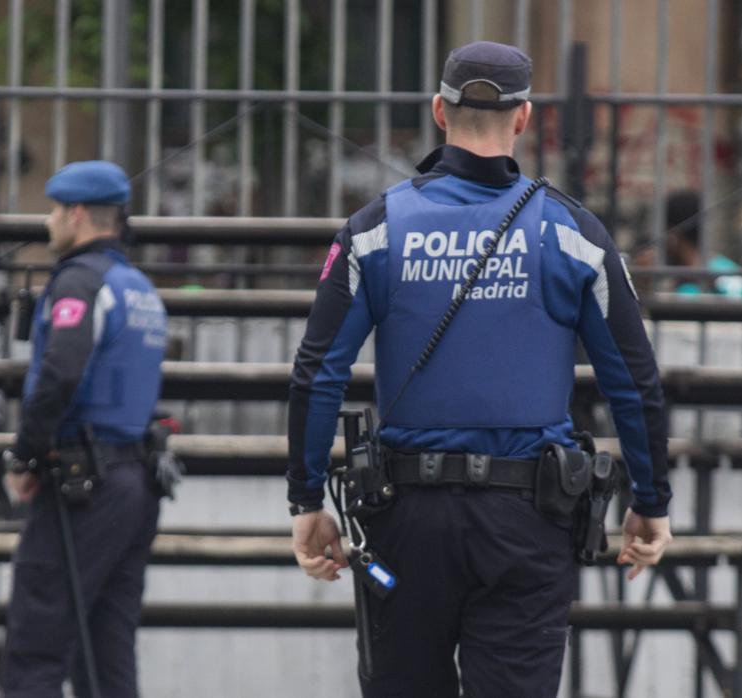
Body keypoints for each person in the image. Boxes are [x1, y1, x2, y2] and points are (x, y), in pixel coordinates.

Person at [286, 42, 673, 697]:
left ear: (440, 111)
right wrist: (651, 501)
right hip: (528, 522)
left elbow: (317, 371)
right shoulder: (572, 233)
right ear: (523, 119)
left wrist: (305, 499)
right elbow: (633, 383)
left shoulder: (374, 230)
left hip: (403, 519)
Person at [0, 161, 167, 697]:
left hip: (83, 489)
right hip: (135, 484)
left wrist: (24, 456)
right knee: (106, 654)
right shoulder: (138, 287)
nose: (48, 222)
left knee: (35, 649)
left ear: (76, 215)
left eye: (53, 211)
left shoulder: (80, 281)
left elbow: (61, 372)